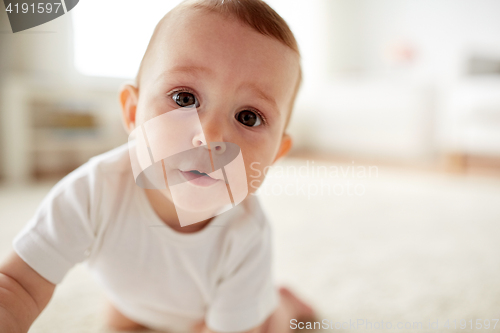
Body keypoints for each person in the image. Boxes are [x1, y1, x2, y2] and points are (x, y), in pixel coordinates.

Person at [0, 0, 315, 332]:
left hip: (216, 319)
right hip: (131, 305)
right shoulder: (93, 191)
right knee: (118, 322)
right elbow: (17, 284)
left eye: (247, 117)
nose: (210, 138)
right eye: (184, 99)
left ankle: (285, 303)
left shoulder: (246, 233)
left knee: (272, 324)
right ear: (133, 113)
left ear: (275, 156)